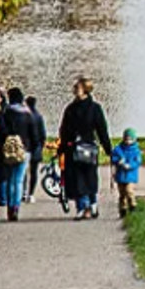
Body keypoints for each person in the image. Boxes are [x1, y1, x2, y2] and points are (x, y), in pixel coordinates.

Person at [57, 75, 113, 220]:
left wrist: (108, 149)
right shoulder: (70, 108)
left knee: (90, 177)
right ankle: (83, 207)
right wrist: (62, 147)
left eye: (77, 87)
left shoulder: (95, 108)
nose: (74, 90)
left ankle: (92, 205)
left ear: (85, 90)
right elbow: (64, 130)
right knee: (76, 179)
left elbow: (102, 130)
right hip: (72, 148)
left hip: (88, 147)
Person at [0, 87, 32, 221]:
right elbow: (33, 133)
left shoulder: (5, 113)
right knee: (19, 179)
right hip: (24, 149)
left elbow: (1, 131)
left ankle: (10, 207)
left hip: (9, 149)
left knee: (10, 179)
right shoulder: (27, 114)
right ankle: (16, 206)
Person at [111, 127, 142, 217]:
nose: (128, 141)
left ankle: (132, 205)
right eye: (126, 139)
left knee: (129, 191)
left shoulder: (136, 150)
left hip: (130, 175)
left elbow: (137, 161)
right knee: (122, 194)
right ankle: (122, 209)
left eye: (130, 139)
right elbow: (113, 158)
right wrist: (118, 161)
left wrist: (130, 165)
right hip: (120, 175)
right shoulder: (118, 149)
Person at [24, 95, 47, 202]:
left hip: (26, 146)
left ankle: (23, 192)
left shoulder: (25, 116)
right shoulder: (39, 116)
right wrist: (41, 145)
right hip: (36, 146)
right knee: (34, 172)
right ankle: (31, 193)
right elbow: (43, 134)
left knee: (23, 171)